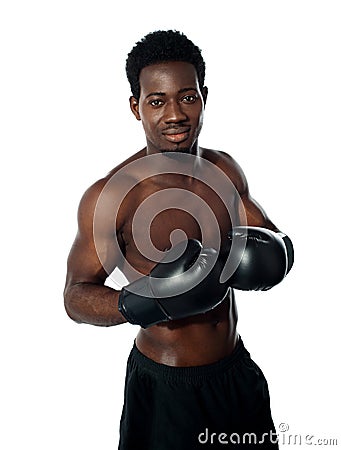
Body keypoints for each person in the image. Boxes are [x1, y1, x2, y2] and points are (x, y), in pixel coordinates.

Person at [64, 30, 294, 449]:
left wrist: (276, 252)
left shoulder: (225, 171)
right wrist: (138, 303)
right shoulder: (113, 195)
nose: (175, 114)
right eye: (157, 101)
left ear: (204, 96)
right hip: (167, 389)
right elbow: (75, 297)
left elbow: (271, 238)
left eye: (188, 97)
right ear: (136, 107)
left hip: (235, 373)